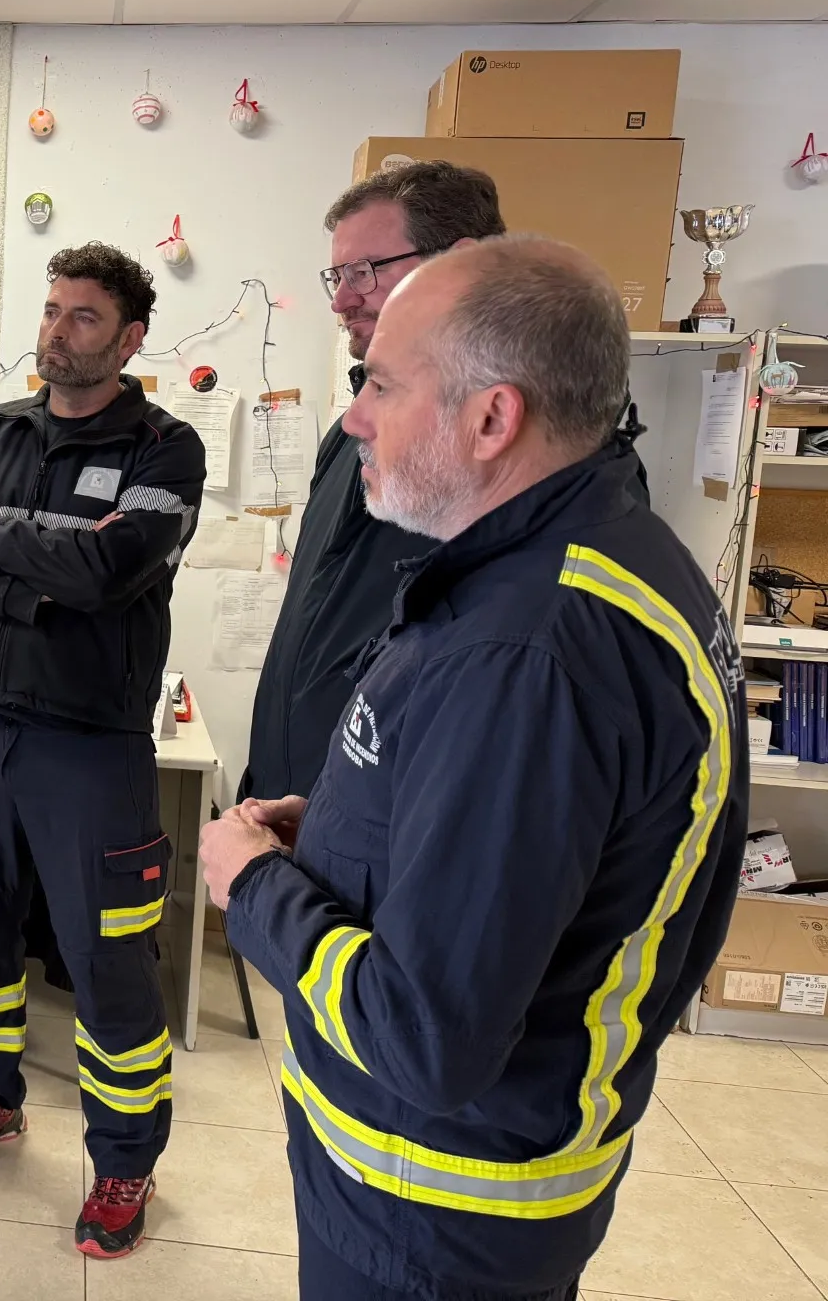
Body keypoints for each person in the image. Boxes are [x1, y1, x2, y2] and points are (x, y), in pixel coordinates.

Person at [201, 238, 747, 1300]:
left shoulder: (525, 651)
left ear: (493, 419)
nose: (355, 415)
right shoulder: (598, 553)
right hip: (456, 1191)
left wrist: (251, 882)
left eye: (382, 386)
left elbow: (425, 1039)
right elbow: (540, 846)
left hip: (434, 1209)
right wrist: (358, 825)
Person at [0, 243, 207, 1260]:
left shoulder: (166, 449)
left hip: (90, 746)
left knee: (109, 958)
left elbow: (113, 570)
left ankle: (126, 1159)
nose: (56, 330)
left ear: (128, 339)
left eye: (83, 317)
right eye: (50, 310)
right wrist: (42, 577)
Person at [240, 161, 505, 808]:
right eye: (337, 276)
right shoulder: (352, 433)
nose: (340, 299)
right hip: (301, 806)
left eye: (365, 272)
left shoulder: (499, 447)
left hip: (392, 829)